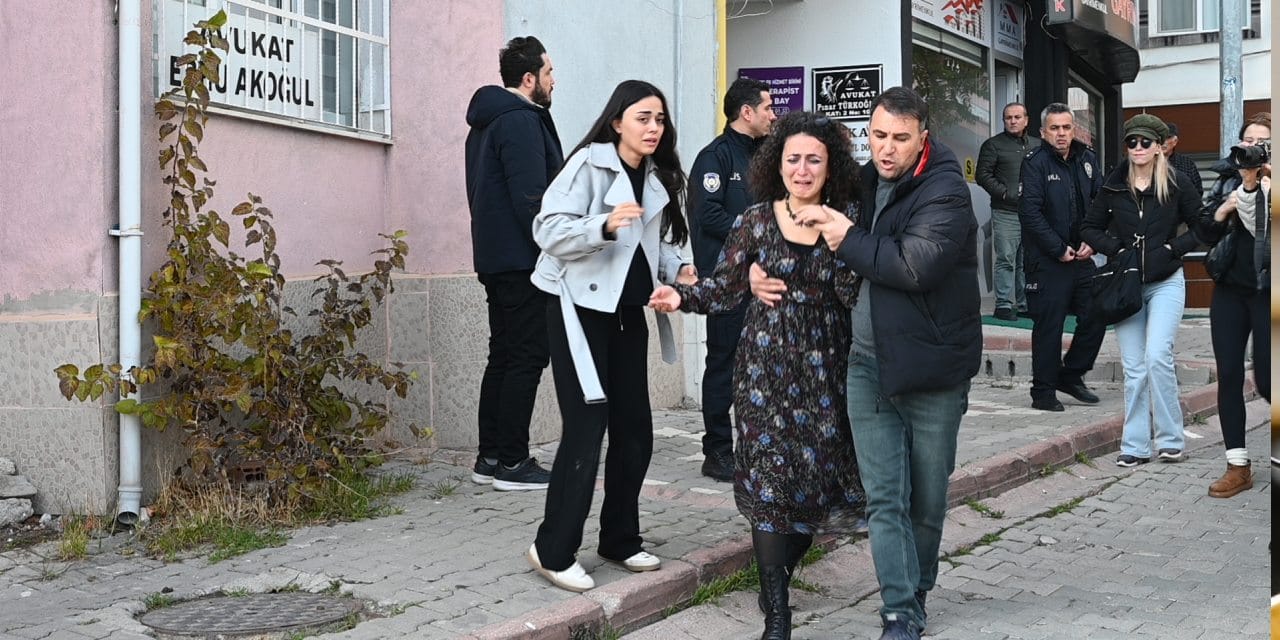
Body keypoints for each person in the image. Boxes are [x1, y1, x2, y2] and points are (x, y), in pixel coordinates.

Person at [754, 87, 981, 640]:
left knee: (927, 501)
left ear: (923, 138)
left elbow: (913, 266)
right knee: (884, 499)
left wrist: (846, 236)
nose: (886, 148)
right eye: (878, 135)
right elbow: (790, 218)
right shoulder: (859, 182)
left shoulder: (947, 191)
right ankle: (898, 610)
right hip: (867, 367)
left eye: (900, 138)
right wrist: (757, 268)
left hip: (931, 371)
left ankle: (917, 590)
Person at [651, 111, 865, 640]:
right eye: (793, 158)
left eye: (813, 159)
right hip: (762, 374)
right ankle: (777, 617)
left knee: (812, 492)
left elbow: (853, 296)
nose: (802, 169)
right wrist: (681, 296)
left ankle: (777, 575)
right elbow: (723, 288)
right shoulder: (755, 220)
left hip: (824, 376)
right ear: (777, 164)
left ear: (831, 166)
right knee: (769, 488)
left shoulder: (846, 219)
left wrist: (840, 243)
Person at [524, 80, 696, 593]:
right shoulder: (589, 164)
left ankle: (619, 539)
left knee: (635, 429)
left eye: (659, 119)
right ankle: (552, 550)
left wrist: (678, 270)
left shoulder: (658, 176)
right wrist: (602, 225)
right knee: (587, 425)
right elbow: (547, 230)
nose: (653, 127)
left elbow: (651, 244)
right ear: (617, 121)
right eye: (643, 118)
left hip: (625, 312)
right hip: (576, 308)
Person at [463, 36, 562, 491]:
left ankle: (490, 458)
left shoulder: (485, 122)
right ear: (528, 78)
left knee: (503, 355)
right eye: (548, 72)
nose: (553, 80)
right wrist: (554, 249)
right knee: (526, 356)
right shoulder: (521, 120)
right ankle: (513, 462)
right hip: (524, 260)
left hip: (495, 256)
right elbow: (531, 200)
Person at [1080, 114, 1204, 467]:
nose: (1137, 148)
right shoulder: (1114, 185)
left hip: (1166, 282)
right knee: (1134, 368)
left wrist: (1173, 249)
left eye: (1145, 142)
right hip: (1127, 285)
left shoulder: (1176, 183)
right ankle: (1135, 445)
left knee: (1157, 357)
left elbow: (1204, 226)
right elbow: (1089, 228)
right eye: (1131, 142)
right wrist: (1117, 249)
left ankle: (1170, 440)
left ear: (1159, 147)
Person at [686, 77, 777, 482]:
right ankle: (718, 451)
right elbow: (708, 214)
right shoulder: (715, 157)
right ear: (746, 112)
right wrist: (755, 234)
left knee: (760, 365)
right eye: (768, 107)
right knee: (723, 363)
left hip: (764, 279)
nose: (773, 115)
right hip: (728, 281)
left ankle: (754, 447)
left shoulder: (767, 157)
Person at [1017, 103, 1106, 412]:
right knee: (1049, 327)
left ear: (1074, 129)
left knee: (1097, 312)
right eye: (1054, 128)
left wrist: (1092, 241)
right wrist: (1057, 248)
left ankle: (1070, 375)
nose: (1061, 134)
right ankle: (1043, 393)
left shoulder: (1087, 159)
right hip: (1047, 260)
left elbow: (1101, 204)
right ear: (1043, 132)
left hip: (1082, 257)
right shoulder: (1034, 163)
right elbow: (1030, 213)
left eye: (1066, 127)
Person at [1198, 114, 1270, 497]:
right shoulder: (1228, 178)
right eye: (1248, 141)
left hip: (1268, 292)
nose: (1254, 147)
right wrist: (1223, 209)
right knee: (1228, 375)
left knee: (1268, 380)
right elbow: (1205, 231)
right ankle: (1238, 466)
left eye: (1263, 141)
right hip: (1230, 289)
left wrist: (1257, 184)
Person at [976, 102, 1038, 321]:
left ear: (1026, 120)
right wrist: (1004, 193)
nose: (1013, 121)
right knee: (1006, 259)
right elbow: (982, 175)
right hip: (1005, 212)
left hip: (1032, 213)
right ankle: (1003, 304)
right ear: (1003, 121)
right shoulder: (993, 145)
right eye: (1008, 117)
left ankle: (1024, 304)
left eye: (1017, 117)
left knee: (1026, 261)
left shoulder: (1038, 145)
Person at [1162, 122, 1204, 200]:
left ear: (1175, 141)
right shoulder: (1147, 162)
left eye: (1167, 137)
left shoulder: (1187, 163)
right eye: (1160, 137)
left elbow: (1197, 191)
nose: (1163, 142)